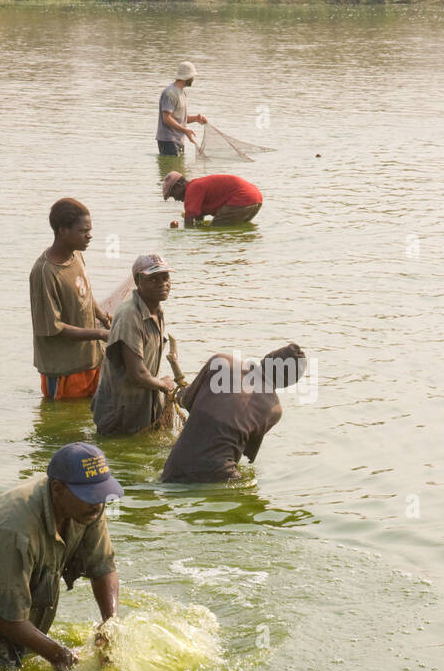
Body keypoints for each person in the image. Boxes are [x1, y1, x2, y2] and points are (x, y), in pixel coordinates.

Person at [0, 443, 123, 671]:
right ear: (57, 488)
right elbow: (1, 613)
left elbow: (102, 566)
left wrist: (109, 626)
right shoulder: (15, 528)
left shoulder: (88, 506)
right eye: (89, 495)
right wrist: (58, 654)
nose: (98, 503)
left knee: (25, 660)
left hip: (17, 592)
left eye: (101, 493)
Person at [161, 344, 306, 483]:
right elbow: (248, 454)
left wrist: (181, 397)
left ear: (267, 358)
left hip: (174, 468)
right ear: (289, 382)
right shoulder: (274, 409)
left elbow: (188, 401)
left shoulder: (221, 361)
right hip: (222, 476)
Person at [30, 198, 110, 400]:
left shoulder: (76, 256)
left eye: (90, 230)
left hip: (92, 360)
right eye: (83, 231)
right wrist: (99, 334)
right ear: (63, 230)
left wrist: (102, 316)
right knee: (64, 425)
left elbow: (85, 295)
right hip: (65, 370)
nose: (89, 236)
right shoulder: (45, 272)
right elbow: (53, 327)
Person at [92, 255, 176, 437]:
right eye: (153, 279)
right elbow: (137, 373)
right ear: (138, 281)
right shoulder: (130, 315)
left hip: (141, 407)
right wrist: (163, 384)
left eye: (165, 278)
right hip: (120, 413)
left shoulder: (156, 310)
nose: (162, 284)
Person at [162, 172, 263, 226]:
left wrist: (187, 238)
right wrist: (198, 226)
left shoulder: (192, 189)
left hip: (242, 198)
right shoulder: (196, 186)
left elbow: (189, 218)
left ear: (179, 185)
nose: (175, 199)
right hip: (256, 198)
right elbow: (198, 216)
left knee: (216, 229)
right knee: (236, 228)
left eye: (172, 194)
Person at [156, 62, 207, 157]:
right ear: (187, 77)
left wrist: (196, 118)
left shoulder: (182, 93)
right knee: (172, 170)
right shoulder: (170, 93)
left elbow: (180, 118)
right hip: (168, 141)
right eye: (192, 77)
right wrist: (185, 130)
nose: (193, 79)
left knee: (179, 170)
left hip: (177, 140)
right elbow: (166, 119)